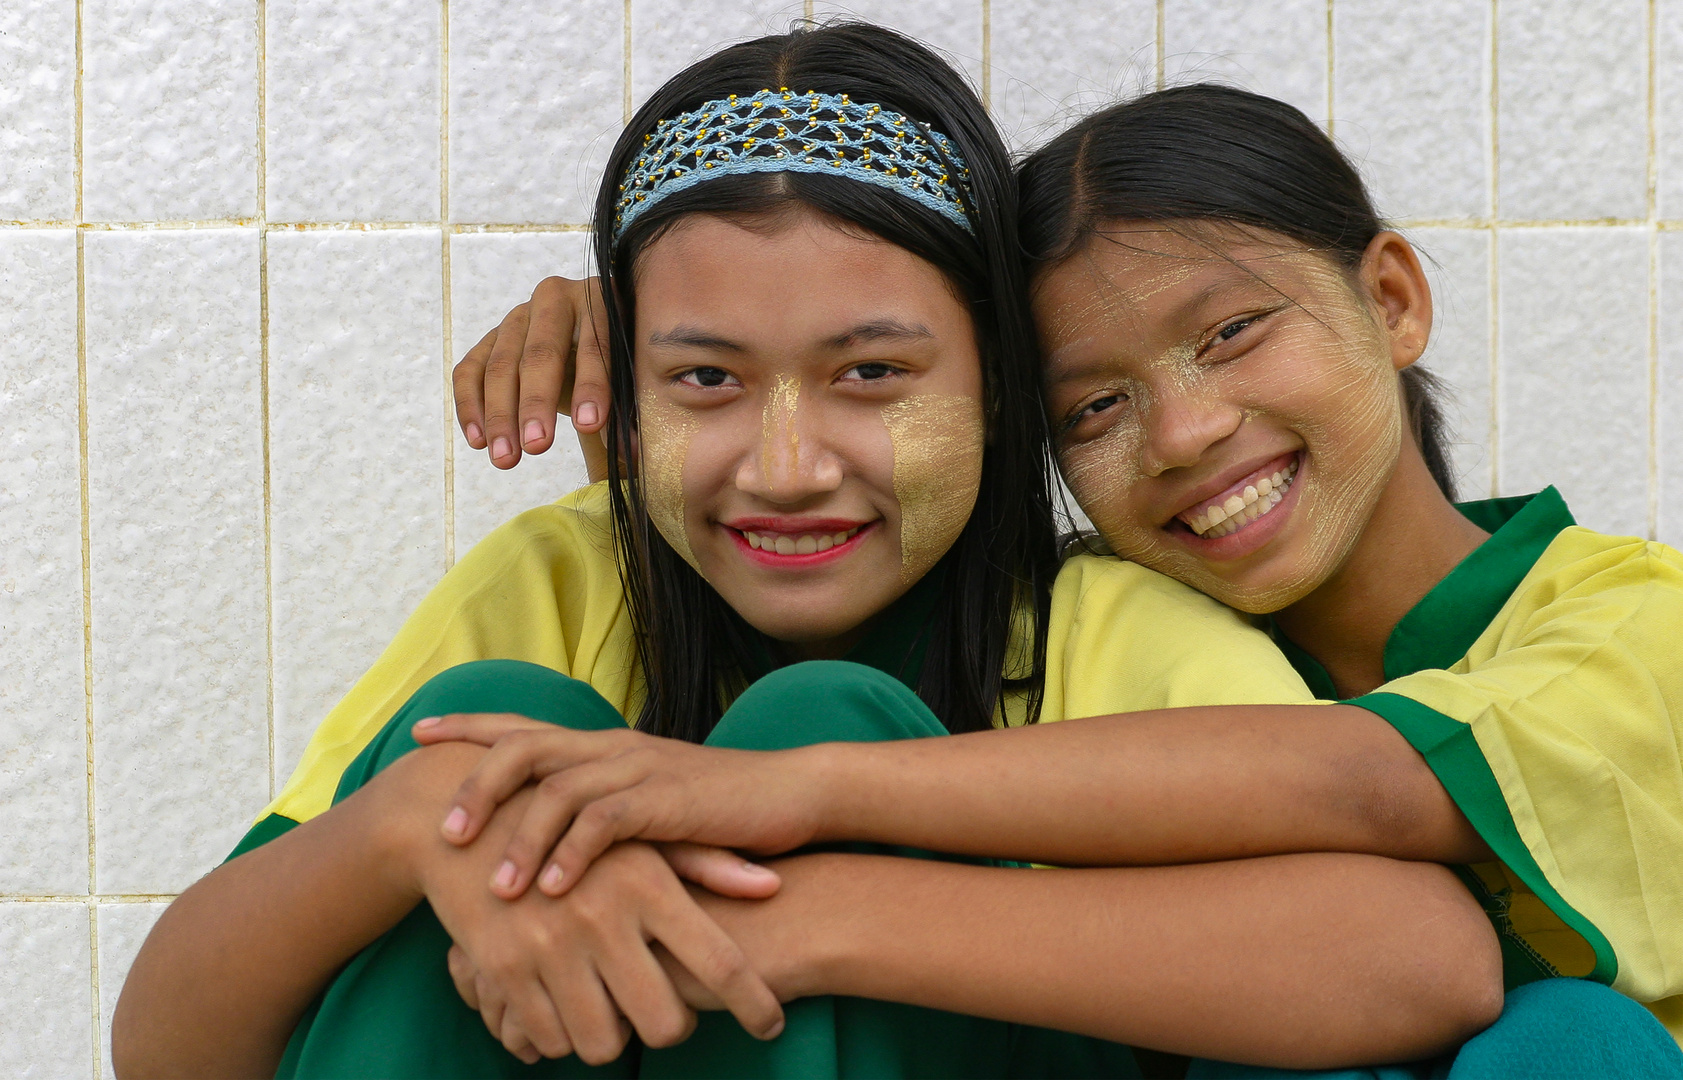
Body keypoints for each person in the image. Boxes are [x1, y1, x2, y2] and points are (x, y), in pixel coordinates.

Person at [112, 28, 1499, 1080]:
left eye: (872, 374)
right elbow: (166, 1046)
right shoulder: (560, 585)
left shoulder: (1094, 632)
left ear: (1004, 387)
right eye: (705, 382)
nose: (785, 466)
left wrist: (812, 905)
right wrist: (416, 832)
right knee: (480, 753)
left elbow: (1420, 957)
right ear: (630, 384)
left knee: (813, 722)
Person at [435, 84, 1683, 1076]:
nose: (1186, 432)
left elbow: (1366, 780)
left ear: (1394, 299)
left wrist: (790, 806)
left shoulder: (1634, 620)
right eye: (1095, 405)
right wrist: (682, 341)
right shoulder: (1115, 634)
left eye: (1234, 331)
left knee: (1572, 1043)